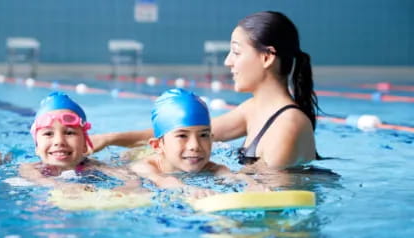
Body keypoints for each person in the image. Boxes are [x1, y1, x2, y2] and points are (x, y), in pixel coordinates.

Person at [90, 11, 318, 170]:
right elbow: (181, 131)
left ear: (267, 57)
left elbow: (267, 196)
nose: (228, 62)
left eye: (236, 53)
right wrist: (110, 140)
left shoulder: (288, 126)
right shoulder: (254, 109)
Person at [130, 88, 258, 198]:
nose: (195, 146)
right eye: (182, 136)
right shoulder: (144, 167)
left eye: (203, 135)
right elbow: (162, 180)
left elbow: (230, 176)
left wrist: (252, 184)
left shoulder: (212, 167)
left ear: (212, 139)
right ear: (158, 145)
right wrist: (188, 189)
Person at [19, 92, 140, 193]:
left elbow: (130, 177)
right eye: (48, 134)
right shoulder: (31, 168)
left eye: (69, 133)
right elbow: (37, 179)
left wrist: (129, 186)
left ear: (84, 144)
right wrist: (63, 186)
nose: (59, 141)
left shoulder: (94, 166)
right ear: (37, 147)